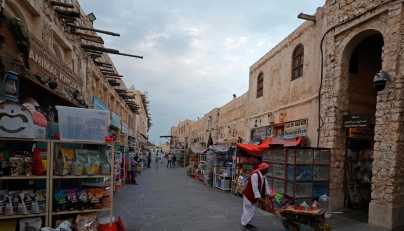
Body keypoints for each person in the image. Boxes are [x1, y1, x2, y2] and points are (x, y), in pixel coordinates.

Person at [241, 163, 270, 231]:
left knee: (252, 210)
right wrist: (259, 198)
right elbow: (255, 188)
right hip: (249, 195)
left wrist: (269, 194)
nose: (267, 171)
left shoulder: (263, 175)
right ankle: (245, 224)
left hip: (254, 196)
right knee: (248, 210)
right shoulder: (255, 175)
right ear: (263, 170)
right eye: (266, 170)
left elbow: (266, 185)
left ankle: (248, 223)